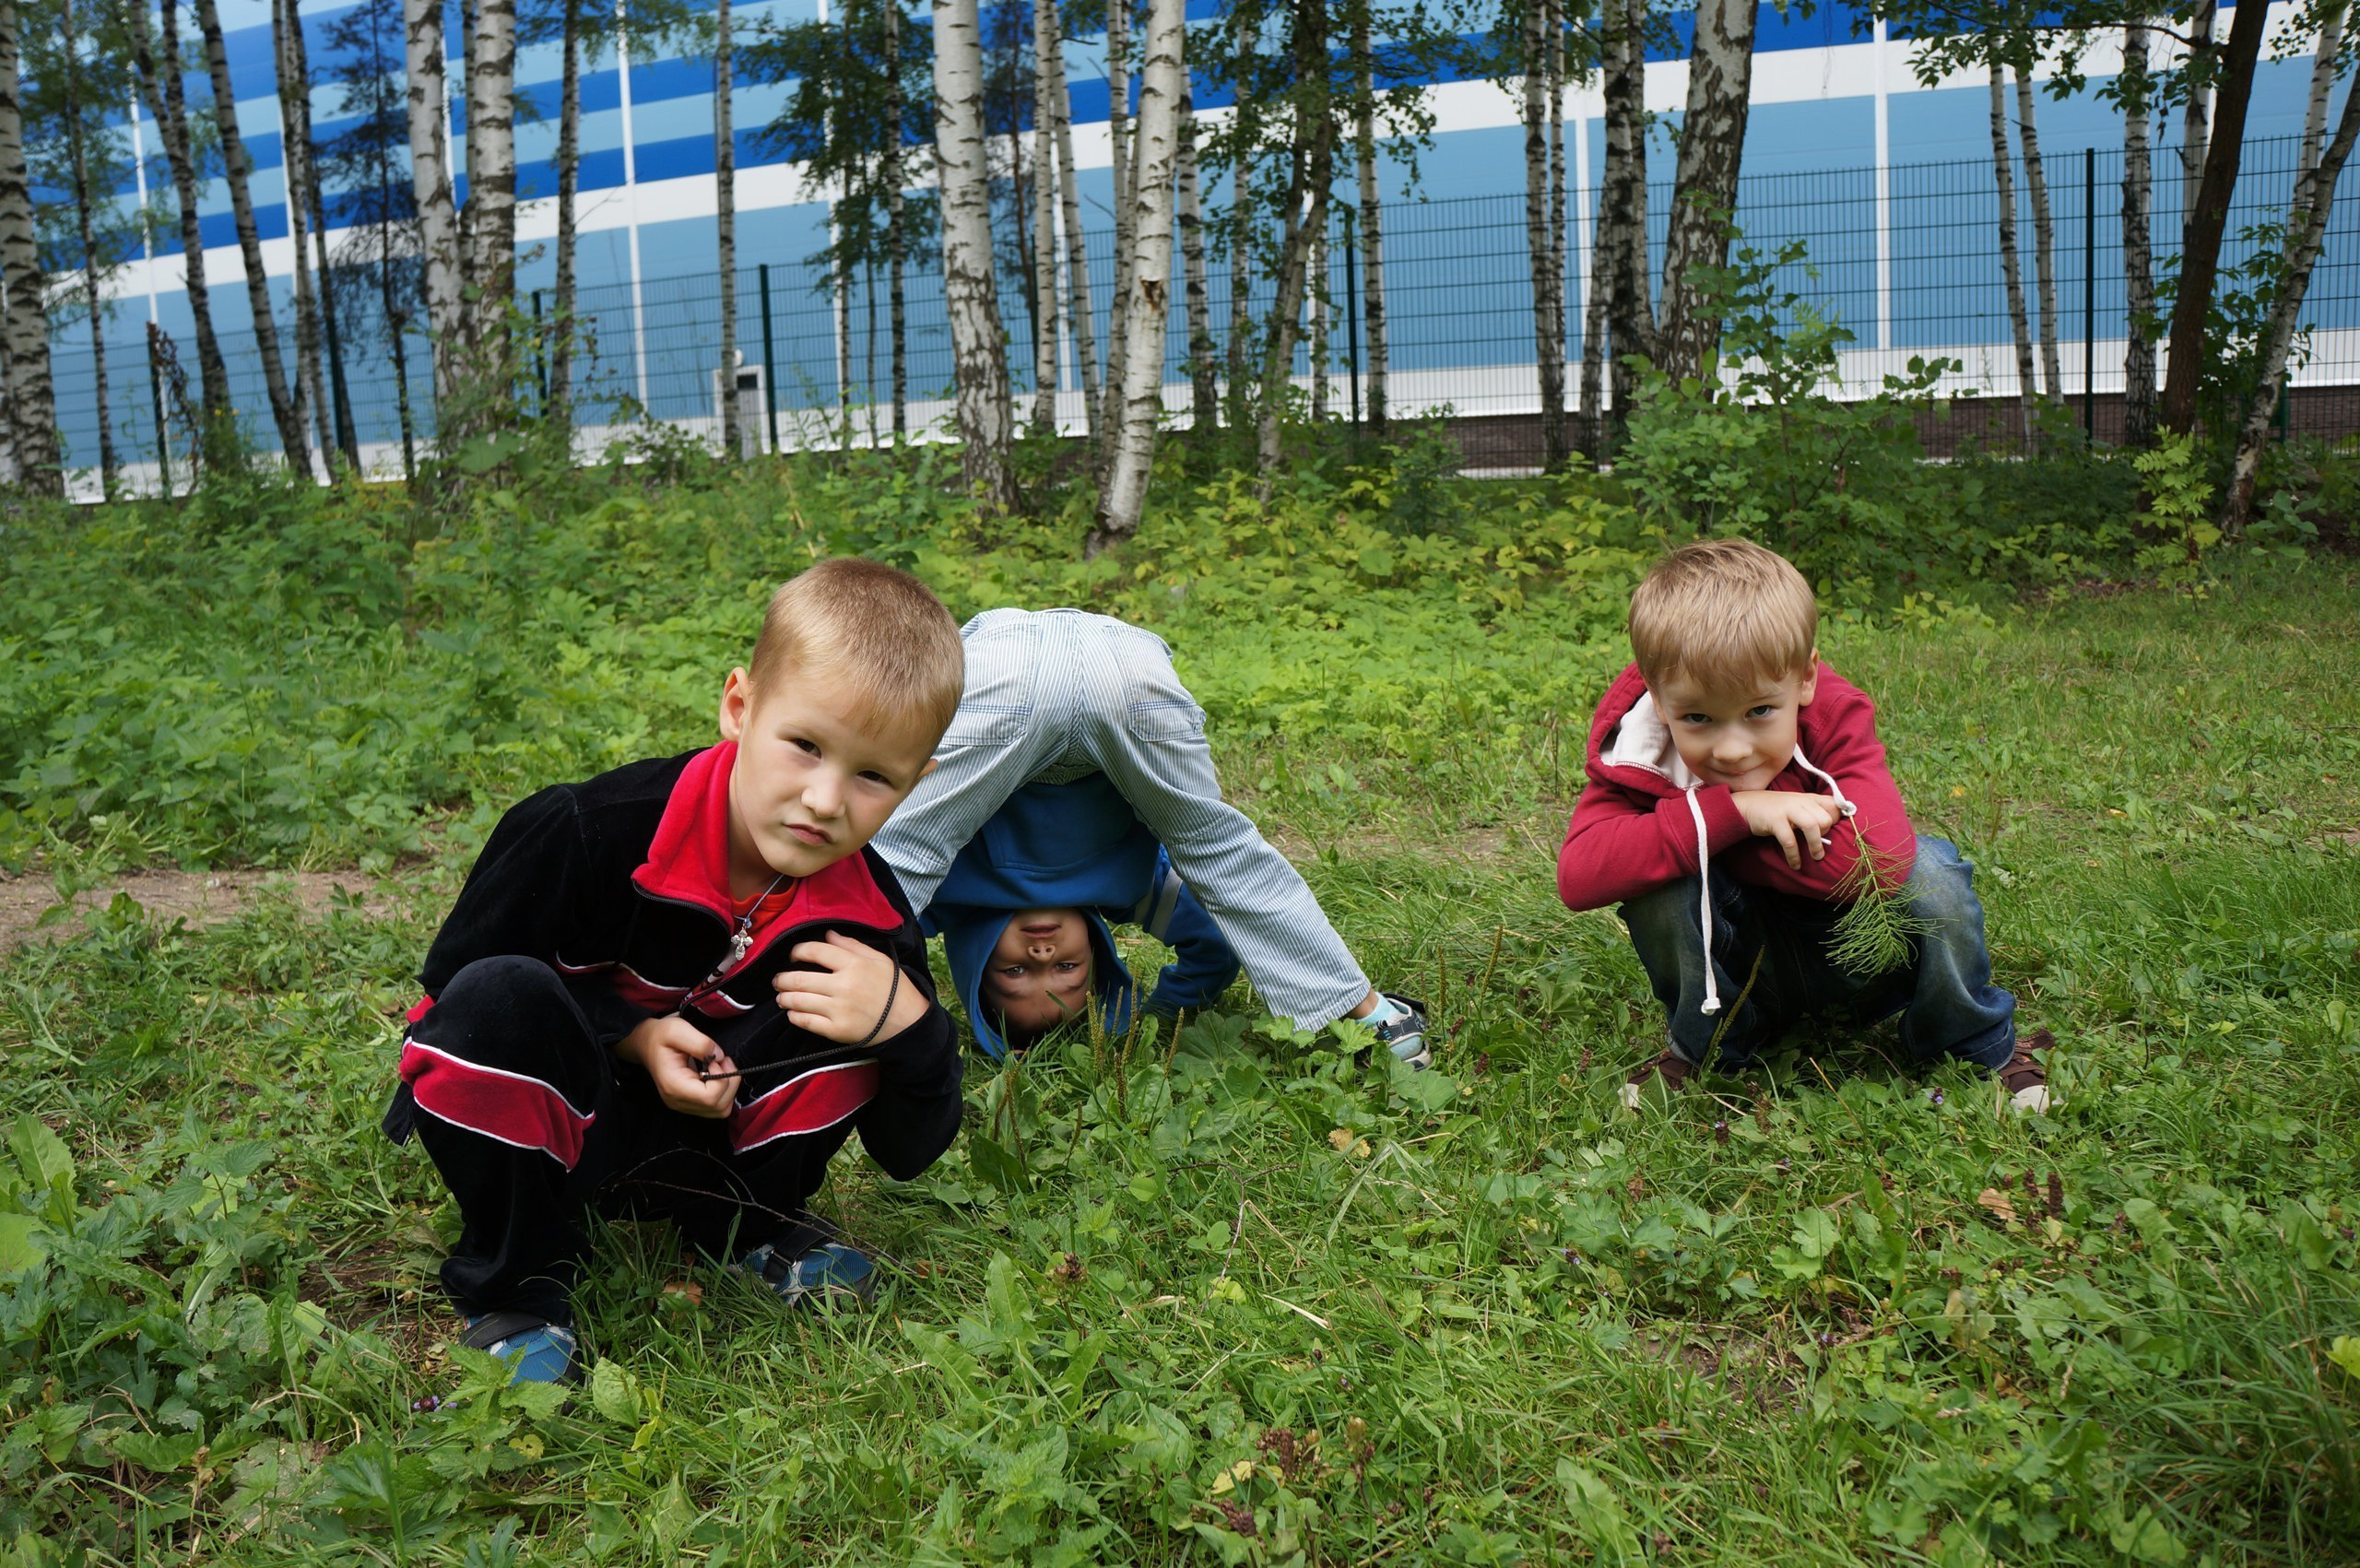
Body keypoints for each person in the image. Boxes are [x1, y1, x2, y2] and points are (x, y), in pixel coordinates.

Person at [381, 560, 969, 1385]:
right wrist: (629, 1035)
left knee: (859, 1001)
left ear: (916, 784)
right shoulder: (584, 830)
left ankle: (748, 1229)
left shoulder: (869, 912)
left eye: (873, 775)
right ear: (740, 705)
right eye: (804, 746)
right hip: (565, 1129)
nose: (827, 800)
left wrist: (913, 1029)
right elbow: (451, 1007)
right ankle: (518, 1290)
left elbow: (911, 1152)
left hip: (716, 1146)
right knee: (500, 999)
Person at [1554, 539, 2049, 1114]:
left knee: (1930, 873)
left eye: (1760, 711)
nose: (1734, 750)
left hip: (1859, 962)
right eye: (1698, 718)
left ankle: (1971, 1039)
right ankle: (1709, 1049)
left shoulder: (1834, 716)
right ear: (1660, 702)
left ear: (1805, 678)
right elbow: (1580, 875)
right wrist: (1736, 813)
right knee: (1660, 889)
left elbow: (1877, 864)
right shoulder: (1640, 750)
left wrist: (1709, 840)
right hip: (1740, 975)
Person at [872, 607, 1428, 1065]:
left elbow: (871, 919)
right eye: (1066, 969)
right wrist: (1163, 1012)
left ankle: (802, 1040)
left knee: (892, 864)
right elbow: (1212, 948)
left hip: (1000, 662)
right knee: (1218, 852)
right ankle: (1372, 1016)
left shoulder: (942, 901)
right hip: (1127, 666)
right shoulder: (1134, 891)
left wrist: (889, 1013)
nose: (1043, 951)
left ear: (972, 961)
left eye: (1015, 970)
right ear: (1096, 954)